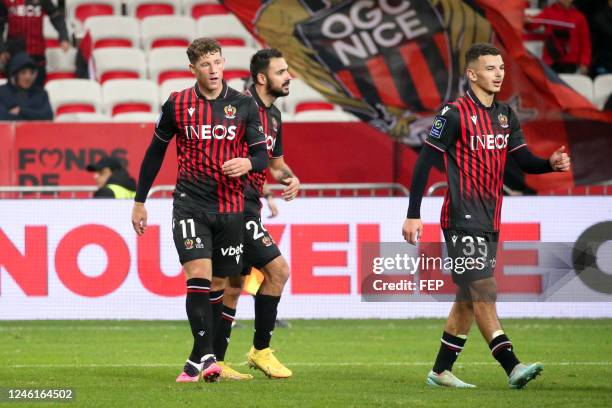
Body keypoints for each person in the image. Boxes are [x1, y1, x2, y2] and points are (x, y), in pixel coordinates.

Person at [402, 43, 570, 389]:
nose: (498, 74)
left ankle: (440, 371)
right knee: (484, 288)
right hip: (460, 217)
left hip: (490, 219)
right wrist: (413, 214)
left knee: (467, 300)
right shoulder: (453, 114)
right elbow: (424, 163)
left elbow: (522, 161)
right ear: (472, 73)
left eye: (501, 68)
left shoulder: (505, 114)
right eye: (491, 68)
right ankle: (511, 365)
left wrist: (548, 164)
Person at [130, 38, 268, 383]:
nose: (214, 70)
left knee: (219, 283)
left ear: (224, 64)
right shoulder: (177, 104)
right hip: (190, 205)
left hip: (231, 207)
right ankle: (208, 356)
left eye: (218, 62)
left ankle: (195, 361)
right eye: (206, 64)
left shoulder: (244, 104)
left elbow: (262, 156)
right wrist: (139, 200)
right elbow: (154, 153)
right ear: (193, 69)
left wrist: (247, 162)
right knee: (198, 278)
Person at [210, 48, 299, 380]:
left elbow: (274, 165)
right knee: (278, 272)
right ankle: (260, 351)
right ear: (262, 78)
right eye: (282, 71)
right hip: (232, 207)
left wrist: (291, 178)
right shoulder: (236, 109)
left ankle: (214, 362)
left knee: (234, 285)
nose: (288, 76)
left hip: (250, 207)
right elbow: (223, 157)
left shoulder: (273, 117)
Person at [0, 0, 70, 86]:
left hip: (37, 55)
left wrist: (64, 37)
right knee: (14, 92)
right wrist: (1, 48)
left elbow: (56, 16)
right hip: (14, 55)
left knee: (37, 92)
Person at [527, 0, 591, 74]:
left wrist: (584, 63)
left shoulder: (580, 17)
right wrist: (526, 20)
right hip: (550, 61)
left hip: (571, 63)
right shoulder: (548, 12)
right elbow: (532, 25)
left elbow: (585, 43)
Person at [0, 51, 52, 120]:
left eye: (31, 73)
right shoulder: (2, 93)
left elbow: (48, 115)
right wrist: (34, 115)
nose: (28, 77)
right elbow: (3, 117)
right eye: (23, 72)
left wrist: (21, 111)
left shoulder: (41, 94)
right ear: (14, 75)